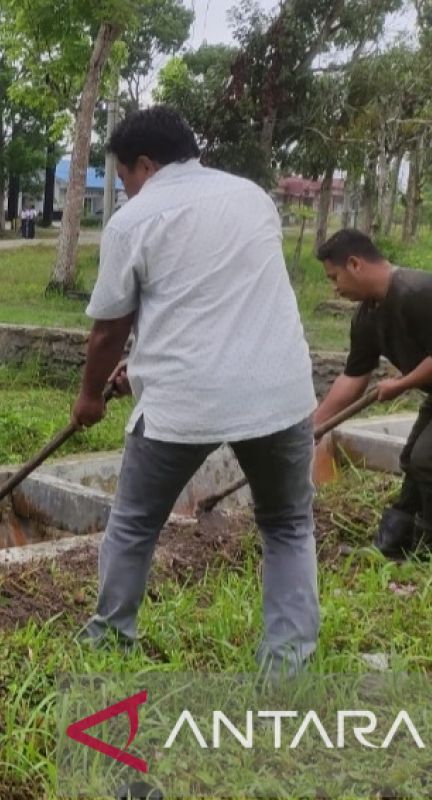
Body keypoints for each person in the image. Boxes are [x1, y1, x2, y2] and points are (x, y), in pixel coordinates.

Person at [71, 106, 318, 674]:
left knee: (134, 523)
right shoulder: (253, 197)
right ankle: (288, 667)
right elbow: (214, 297)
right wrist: (141, 364)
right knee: (287, 527)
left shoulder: (135, 221)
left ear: (144, 164)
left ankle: (109, 641)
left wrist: (88, 398)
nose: (128, 190)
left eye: (125, 179)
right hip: (278, 392)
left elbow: (109, 329)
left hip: (183, 401)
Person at [313, 229, 432, 558]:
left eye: (334, 277)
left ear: (355, 264)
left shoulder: (417, 292)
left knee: (427, 459)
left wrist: (402, 383)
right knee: (413, 460)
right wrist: (314, 426)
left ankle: (426, 550)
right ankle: (393, 547)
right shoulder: (367, 316)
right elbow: (353, 378)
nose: (335, 289)